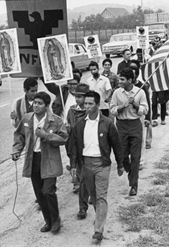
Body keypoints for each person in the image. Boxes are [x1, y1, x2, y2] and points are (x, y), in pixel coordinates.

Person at [12, 91, 68, 233]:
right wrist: (17, 149)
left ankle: (56, 221)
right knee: (39, 193)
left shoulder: (55, 120)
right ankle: (48, 221)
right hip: (33, 159)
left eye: (40, 103)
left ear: (47, 106)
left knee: (48, 191)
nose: (36, 106)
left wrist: (47, 135)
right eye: (34, 103)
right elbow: (19, 135)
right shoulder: (27, 119)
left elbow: (63, 139)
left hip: (49, 160)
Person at [70, 91, 124, 241]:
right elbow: (74, 145)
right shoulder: (80, 123)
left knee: (101, 196)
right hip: (86, 164)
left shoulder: (107, 123)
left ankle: (98, 230)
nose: (86, 106)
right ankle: (100, 216)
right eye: (85, 103)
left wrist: (120, 164)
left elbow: (117, 145)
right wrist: (73, 165)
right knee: (93, 195)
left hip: (102, 164)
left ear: (97, 105)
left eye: (90, 104)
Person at [110, 67, 148, 196]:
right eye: (119, 79)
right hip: (121, 125)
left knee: (136, 156)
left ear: (130, 80)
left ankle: (133, 185)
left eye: (122, 79)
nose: (119, 81)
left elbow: (145, 110)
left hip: (135, 124)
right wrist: (121, 107)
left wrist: (135, 105)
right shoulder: (116, 93)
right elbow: (112, 109)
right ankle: (129, 170)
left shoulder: (140, 92)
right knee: (122, 155)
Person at [66, 83, 90, 218]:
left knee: (90, 177)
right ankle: (83, 208)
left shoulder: (91, 111)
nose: (77, 100)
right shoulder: (71, 110)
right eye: (76, 97)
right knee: (81, 179)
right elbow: (70, 128)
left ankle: (93, 194)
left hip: (91, 148)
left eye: (80, 97)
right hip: (77, 148)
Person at [130, 60, 152, 169]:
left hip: (140, 117)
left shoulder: (142, 87)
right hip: (128, 118)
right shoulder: (124, 86)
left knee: (140, 140)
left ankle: (140, 161)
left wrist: (148, 118)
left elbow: (147, 103)